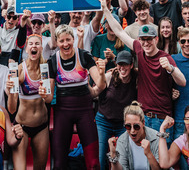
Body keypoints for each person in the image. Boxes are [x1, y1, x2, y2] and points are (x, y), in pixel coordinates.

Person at [103, 7, 186, 131]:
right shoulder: (139, 49)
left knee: (161, 151)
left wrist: (170, 69)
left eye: (149, 39)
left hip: (161, 119)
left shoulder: (165, 57)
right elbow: (119, 31)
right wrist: (105, 9)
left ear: (156, 39)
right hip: (143, 118)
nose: (146, 43)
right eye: (143, 39)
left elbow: (182, 81)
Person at [44, 23, 104, 170]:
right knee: (59, 164)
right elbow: (49, 98)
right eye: (62, 41)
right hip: (63, 112)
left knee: (94, 163)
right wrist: (43, 94)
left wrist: (101, 75)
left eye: (68, 40)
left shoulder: (84, 56)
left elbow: (101, 85)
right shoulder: (52, 62)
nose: (65, 44)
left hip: (85, 111)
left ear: (73, 39)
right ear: (57, 43)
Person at [8, 33, 51, 170]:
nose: (34, 46)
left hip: (41, 126)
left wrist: (44, 95)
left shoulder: (45, 69)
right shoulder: (19, 70)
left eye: (37, 44)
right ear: (26, 49)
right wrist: (10, 92)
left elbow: (49, 99)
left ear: (41, 48)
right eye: (31, 44)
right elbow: (12, 109)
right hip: (22, 126)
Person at [97, 50, 139, 170]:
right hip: (104, 121)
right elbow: (95, 91)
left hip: (123, 124)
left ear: (131, 65)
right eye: (120, 64)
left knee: (124, 158)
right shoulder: (109, 76)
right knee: (100, 157)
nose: (122, 67)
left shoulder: (136, 78)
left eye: (125, 64)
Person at [109, 101, 161, 170]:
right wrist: (113, 154)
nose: (132, 131)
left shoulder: (155, 137)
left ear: (143, 123)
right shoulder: (122, 140)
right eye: (128, 126)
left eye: (136, 126)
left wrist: (149, 154)